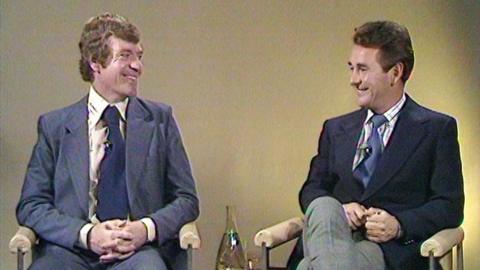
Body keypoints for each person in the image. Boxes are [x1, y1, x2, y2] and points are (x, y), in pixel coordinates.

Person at [16, 13, 199, 270]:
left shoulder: (160, 120)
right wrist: (87, 235)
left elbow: (186, 199)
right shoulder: (54, 126)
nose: (137, 66)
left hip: (138, 253)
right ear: (95, 63)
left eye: (139, 56)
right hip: (71, 251)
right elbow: (31, 205)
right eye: (125, 55)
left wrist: (144, 230)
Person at [295, 21, 464, 270]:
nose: (354, 80)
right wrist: (341, 210)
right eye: (351, 68)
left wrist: (398, 225)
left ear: (395, 73)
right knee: (324, 205)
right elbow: (312, 189)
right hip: (332, 239)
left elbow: (449, 206)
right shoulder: (335, 129)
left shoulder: (436, 129)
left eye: (363, 69)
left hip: (390, 254)